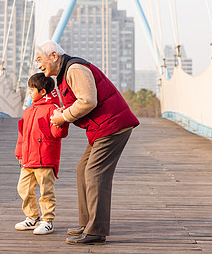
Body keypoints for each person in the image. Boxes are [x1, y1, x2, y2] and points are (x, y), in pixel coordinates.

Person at [35, 40, 140, 245]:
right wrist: (63, 112)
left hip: (112, 126)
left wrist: (64, 116)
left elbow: (88, 101)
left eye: (40, 59)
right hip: (102, 128)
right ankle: (87, 224)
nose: (38, 65)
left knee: (95, 173)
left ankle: (96, 232)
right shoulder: (66, 73)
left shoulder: (74, 69)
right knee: (83, 168)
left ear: (54, 56)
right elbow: (80, 101)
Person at [14, 72, 69, 235]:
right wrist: (20, 154)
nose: (29, 93)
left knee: (46, 191)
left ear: (42, 92)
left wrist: (62, 120)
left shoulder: (53, 109)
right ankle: (32, 218)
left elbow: (57, 134)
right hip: (28, 159)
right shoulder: (29, 110)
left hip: (45, 159)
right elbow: (22, 134)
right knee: (23, 188)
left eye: (32, 90)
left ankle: (47, 221)